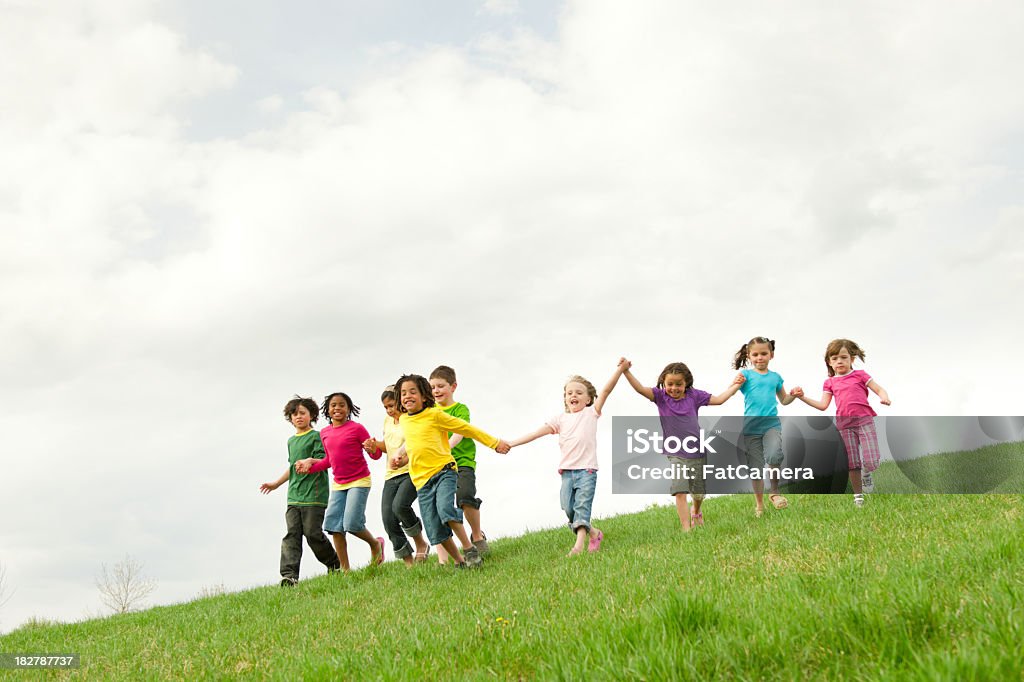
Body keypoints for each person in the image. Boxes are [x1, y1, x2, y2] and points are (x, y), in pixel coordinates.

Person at [393, 374, 511, 568]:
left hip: (443, 472)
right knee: (435, 530)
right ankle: (460, 562)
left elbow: (466, 428)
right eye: (403, 393)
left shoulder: (434, 414)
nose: (407, 396)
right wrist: (399, 458)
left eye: (413, 391)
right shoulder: (405, 420)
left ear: (424, 395)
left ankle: (468, 548)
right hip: (421, 482)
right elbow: (416, 446)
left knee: (446, 510)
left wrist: (495, 443)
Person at [506, 363, 625, 556]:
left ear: (588, 399)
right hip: (567, 473)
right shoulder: (560, 419)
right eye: (569, 393)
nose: (573, 396)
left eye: (579, 392)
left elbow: (606, 390)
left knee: (582, 508)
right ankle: (594, 533)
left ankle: (578, 547)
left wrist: (620, 370)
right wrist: (511, 443)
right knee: (569, 510)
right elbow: (536, 433)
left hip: (587, 470)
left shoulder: (591, 413)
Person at [621, 358, 743, 530]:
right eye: (670, 384)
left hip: (697, 451)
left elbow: (720, 399)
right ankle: (687, 529)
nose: (674, 388)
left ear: (686, 383)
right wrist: (626, 371)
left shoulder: (694, 396)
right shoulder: (660, 397)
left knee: (698, 492)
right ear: (663, 382)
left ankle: (697, 511)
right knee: (680, 490)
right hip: (675, 453)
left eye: (678, 384)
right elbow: (640, 389)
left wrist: (735, 385)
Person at [791, 338, 891, 507]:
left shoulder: (860, 375)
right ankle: (858, 498)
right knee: (852, 462)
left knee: (871, 461)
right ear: (829, 362)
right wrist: (802, 397)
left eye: (843, 357)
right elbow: (823, 406)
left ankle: (867, 473)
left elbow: (879, 389)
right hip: (844, 425)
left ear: (851, 359)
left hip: (864, 420)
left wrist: (884, 397)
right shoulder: (830, 382)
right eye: (835, 358)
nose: (839, 361)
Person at [294, 392, 384, 571]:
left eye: (342, 405)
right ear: (327, 410)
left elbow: (375, 455)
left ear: (348, 409)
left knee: (352, 524)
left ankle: (375, 544)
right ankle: (345, 570)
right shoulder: (325, 433)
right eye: (333, 405)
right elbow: (329, 460)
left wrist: (374, 449)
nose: (337, 408)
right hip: (339, 484)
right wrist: (309, 467)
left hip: (359, 480)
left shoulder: (357, 428)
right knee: (334, 526)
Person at [259, 395, 341, 586]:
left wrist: (309, 461)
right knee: (292, 535)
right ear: (290, 418)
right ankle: (289, 576)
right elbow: (292, 467)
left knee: (313, 534)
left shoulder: (317, 436)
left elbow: (324, 461)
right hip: (294, 496)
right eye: (294, 414)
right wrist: (275, 484)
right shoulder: (291, 441)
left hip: (314, 495)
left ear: (311, 415)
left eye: (302, 413)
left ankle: (334, 564)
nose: (298, 417)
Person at [362, 386, 431, 566]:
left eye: (392, 405)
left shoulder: (411, 420)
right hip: (391, 475)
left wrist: (403, 459)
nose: (389, 410)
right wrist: (375, 445)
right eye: (386, 407)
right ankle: (409, 562)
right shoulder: (387, 421)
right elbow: (389, 447)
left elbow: (416, 444)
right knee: (388, 518)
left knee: (400, 506)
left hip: (411, 471)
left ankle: (421, 544)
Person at [732, 336, 798, 518]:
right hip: (751, 427)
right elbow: (732, 389)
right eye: (755, 354)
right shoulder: (746, 375)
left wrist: (795, 395)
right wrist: (736, 381)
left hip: (771, 424)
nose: (759, 357)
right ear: (749, 356)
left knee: (775, 455)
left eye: (764, 353)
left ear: (771, 355)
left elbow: (784, 400)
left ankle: (775, 493)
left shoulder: (775, 377)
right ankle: (759, 506)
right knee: (756, 467)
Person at [429, 365, 488, 564]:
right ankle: (444, 556)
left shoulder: (460, 409)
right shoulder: (429, 412)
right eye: (432, 387)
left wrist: (446, 448)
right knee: (438, 507)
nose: (436, 391)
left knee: (464, 497)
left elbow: (460, 432)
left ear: (453, 386)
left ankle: (477, 536)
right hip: (438, 466)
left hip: (462, 462)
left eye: (440, 386)